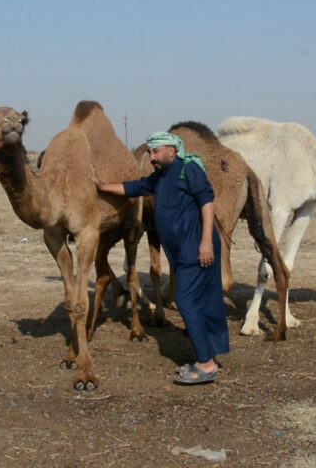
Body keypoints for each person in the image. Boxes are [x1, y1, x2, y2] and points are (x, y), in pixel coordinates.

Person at [94, 131, 229, 385]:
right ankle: (207, 357)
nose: (152, 156)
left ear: (171, 150)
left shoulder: (188, 169)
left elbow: (206, 203)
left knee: (185, 299)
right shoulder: (160, 177)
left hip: (197, 247)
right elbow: (133, 187)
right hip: (181, 251)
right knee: (200, 301)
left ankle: (206, 364)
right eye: (150, 152)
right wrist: (101, 186)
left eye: (156, 152)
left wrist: (205, 242)